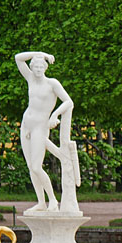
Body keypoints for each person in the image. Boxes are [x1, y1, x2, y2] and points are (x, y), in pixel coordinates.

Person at [15, 51, 73, 213]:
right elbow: (18, 58)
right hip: (26, 126)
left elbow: (69, 101)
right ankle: (41, 202)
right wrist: (42, 54)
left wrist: (54, 115)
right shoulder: (31, 79)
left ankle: (53, 200)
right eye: (36, 66)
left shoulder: (52, 83)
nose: (39, 69)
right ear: (32, 67)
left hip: (40, 127)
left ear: (45, 68)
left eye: (42, 66)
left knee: (36, 166)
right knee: (30, 167)